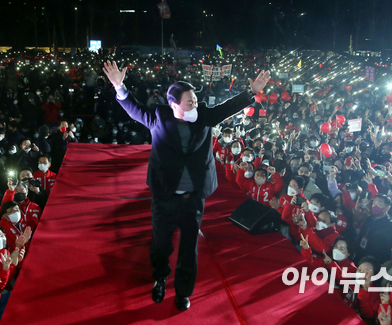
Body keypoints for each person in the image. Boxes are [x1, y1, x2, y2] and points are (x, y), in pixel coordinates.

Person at [103, 60, 270, 311]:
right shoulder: (159, 117)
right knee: (161, 244)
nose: (193, 101)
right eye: (188, 99)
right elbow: (133, 108)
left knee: (189, 247)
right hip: (165, 196)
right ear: (174, 104)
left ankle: (183, 292)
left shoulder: (204, 115)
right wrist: (119, 87)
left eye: (194, 97)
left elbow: (228, 107)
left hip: (193, 198)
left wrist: (251, 92)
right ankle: (160, 278)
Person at [356, 194, 392, 264]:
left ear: (388, 208)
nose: (375, 206)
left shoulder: (390, 226)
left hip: (374, 261)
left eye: (379, 204)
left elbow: (387, 249)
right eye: (374, 203)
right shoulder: (368, 219)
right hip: (360, 255)